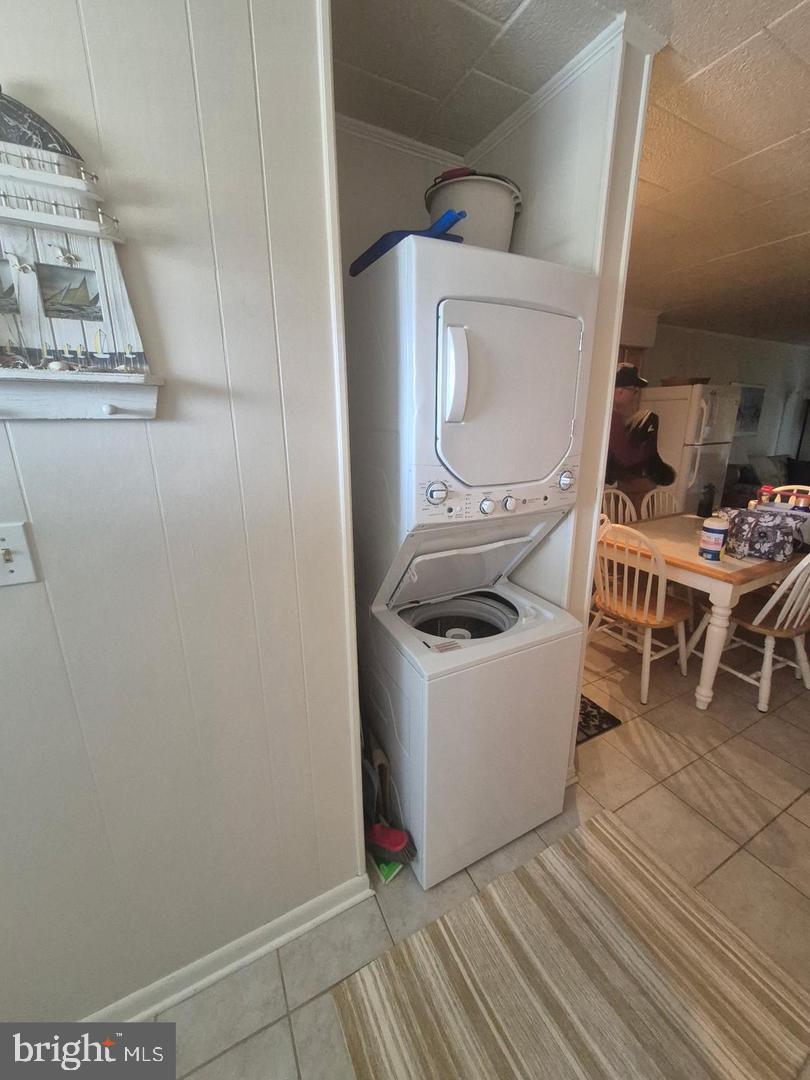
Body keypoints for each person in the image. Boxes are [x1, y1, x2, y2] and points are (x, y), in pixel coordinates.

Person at [605, 365, 675, 514]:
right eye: (634, 390)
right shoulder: (613, 416)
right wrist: (647, 448)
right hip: (615, 484)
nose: (634, 395)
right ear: (620, 390)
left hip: (609, 483)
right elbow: (625, 458)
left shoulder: (607, 412)